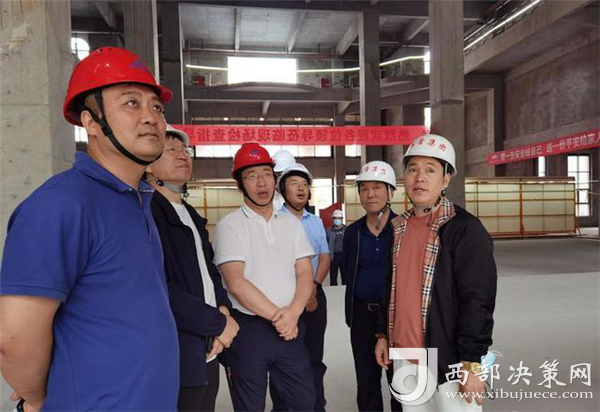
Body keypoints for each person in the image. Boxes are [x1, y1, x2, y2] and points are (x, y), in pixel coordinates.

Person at [0, 47, 179, 412]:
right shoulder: (60, 205)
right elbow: (15, 337)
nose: (151, 117)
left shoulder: (139, 201)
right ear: (91, 122)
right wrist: (38, 399)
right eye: (131, 103)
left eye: (156, 107)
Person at [374, 134, 497, 411]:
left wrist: (472, 361)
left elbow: (477, 299)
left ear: (446, 180)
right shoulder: (397, 228)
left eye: (430, 170)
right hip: (405, 356)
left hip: (447, 359)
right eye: (412, 169)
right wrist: (382, 334)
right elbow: (390, 287)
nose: (419, 178)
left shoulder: (465, 230)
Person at [212, 143, 316, 412]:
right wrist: (280, 317)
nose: (261, 182)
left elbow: (305, 271)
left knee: (302, 401)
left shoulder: (291, 224)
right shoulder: (229, 226)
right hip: (249, 331)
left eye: (267, 174)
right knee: (250, 405)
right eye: (251, 176)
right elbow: (236, 282)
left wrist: (293, 312)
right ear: (240, 185)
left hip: (290, 326)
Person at [146, 124, 239, 412]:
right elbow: (158, 289)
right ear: (147, 163)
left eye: (185, 150)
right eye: (171, 150)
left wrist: (223, 310)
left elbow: (209, 272)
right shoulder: (146, 213)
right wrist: (218, 324)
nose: (183, 156)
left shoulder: (190, 215)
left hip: (209, 347)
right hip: (178, 351)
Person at [341, 161, 402, 412]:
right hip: (362, 315)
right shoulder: (353, 232)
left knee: (401, 380)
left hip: (397, 315)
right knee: (366, 381)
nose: (370, 194)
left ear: (390, 191)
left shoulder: (403, 228)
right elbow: (348, 269)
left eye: (377, 187)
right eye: (364, 189)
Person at [271, 163, 330, 412]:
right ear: (282, 190)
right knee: (283, 359)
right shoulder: (273, 220)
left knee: (314, 356)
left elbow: (324, 258)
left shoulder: (315, 222)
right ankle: (282, 407)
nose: (301, 189)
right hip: (284, 299)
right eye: (294, 184)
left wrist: (313, 287)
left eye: (305, 184)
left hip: (314, 297)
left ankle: (317, 405)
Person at [326, 209, 346, 286]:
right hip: (333, 257)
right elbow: (326, 243)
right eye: (335, 218)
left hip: (344, 256)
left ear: (342, 219)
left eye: (339, 218)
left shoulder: (347, 229)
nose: (337, 220)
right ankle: (333, 290)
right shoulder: (328, 231)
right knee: (333, 276)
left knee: (345, 276)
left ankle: (345, 290)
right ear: (333, 219)